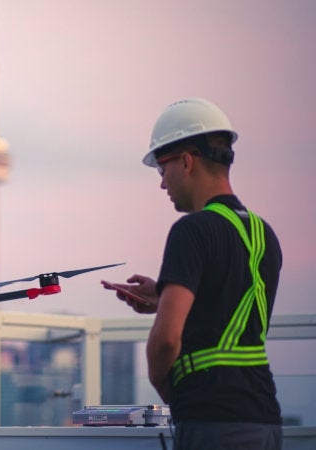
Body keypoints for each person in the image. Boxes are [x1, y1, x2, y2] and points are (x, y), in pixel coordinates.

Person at [103, 97, 283, 449]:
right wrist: (165, 295)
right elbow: (229, 307)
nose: (162, 183)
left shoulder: (192, 230)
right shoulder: (264, 234)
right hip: (264, 416)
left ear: (186, 162)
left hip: (212, 421)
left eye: (161, 167)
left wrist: (170, 389)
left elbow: (167, 341)